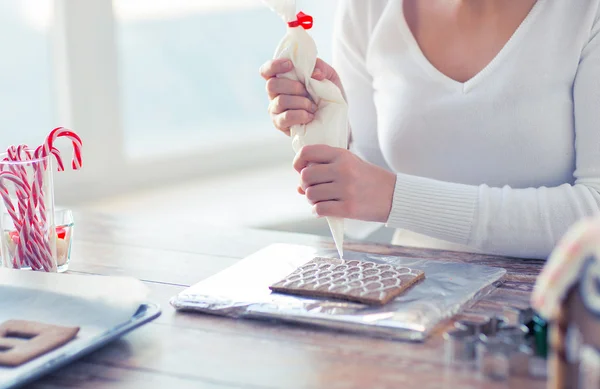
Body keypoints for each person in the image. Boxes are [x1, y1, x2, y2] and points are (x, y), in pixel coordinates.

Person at [259, 0, 600, 259]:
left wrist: (394, 198)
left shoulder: (586, 13)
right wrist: (328, 127)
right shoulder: (368, 9)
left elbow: (594, 213)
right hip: (415, 298)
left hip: (564, 313)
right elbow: (367, 202)